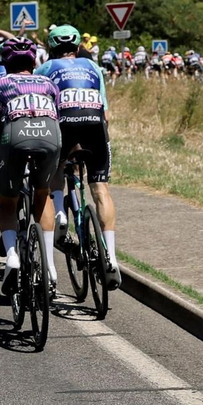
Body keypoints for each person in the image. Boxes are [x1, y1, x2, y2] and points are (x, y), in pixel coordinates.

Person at [37, 25, 121, 287]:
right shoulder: (93, 67)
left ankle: (60, 213)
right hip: (95, 125)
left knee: (56, 168)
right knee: (101, 190)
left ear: (51, 47)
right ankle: (111, 257)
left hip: (64, 124)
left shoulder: (45, 68)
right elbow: (106, 114)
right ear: (77, 46)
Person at [0, 38, 63, 297]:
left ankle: (12, 256)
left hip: (15, 136)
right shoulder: (49, 84)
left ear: (5, 63)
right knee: (43, 194)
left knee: (7, 202)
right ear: (33, 62)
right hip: (50, 134)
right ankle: (50, 267)